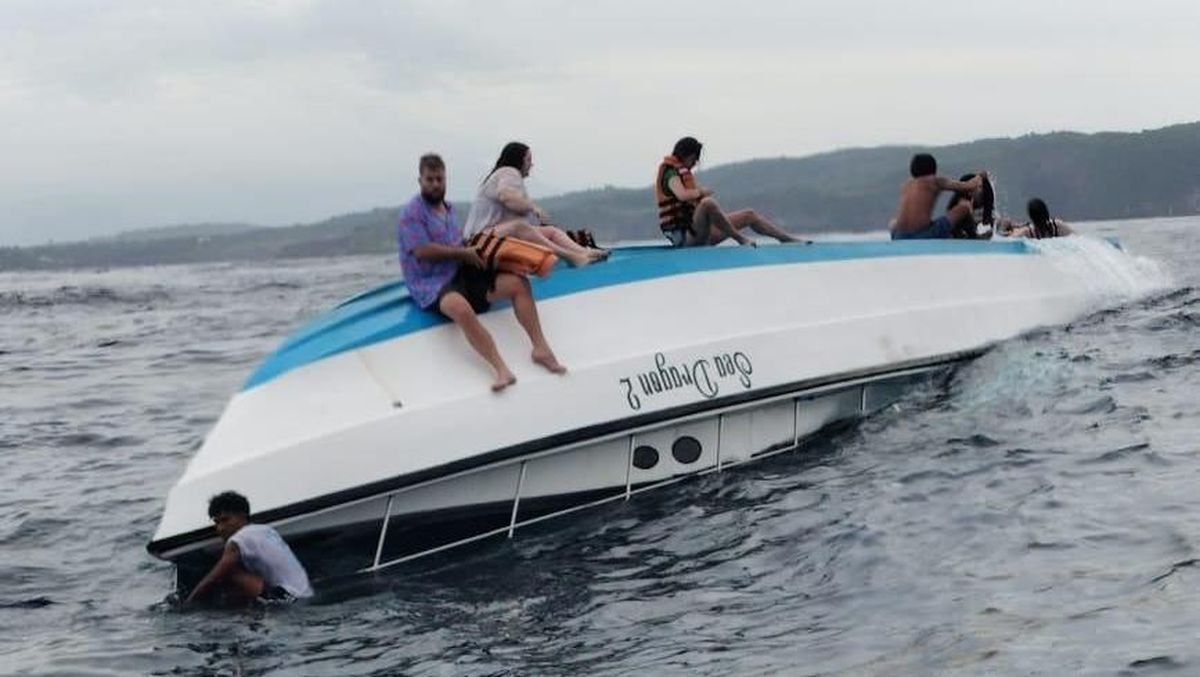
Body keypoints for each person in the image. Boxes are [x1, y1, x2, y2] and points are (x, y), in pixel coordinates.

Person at [399, 153, 566, 392]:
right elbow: (422, 251)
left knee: (518, 284)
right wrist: (463, 255)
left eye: (439, 179)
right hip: (431, 283)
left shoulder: (448, 209)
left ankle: (541, 348)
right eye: (430, 180)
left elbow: (458, 243)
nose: (435, 184)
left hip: (460, 271)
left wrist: (483, 253)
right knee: (460, 308)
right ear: (420, 181)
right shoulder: (412, 214)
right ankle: (501, 369)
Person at [462, 142, 607, 267]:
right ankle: (571, 257)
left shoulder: (505, 176)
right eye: (528, 160)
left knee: (551, 231)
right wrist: (533, 207)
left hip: (492, 235)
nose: (531, 164)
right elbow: (506, 196)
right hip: (478, 241)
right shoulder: (509, 172)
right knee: (520, 226)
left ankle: (584, 252)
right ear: (518, 161)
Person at [655, 136, 801, 247]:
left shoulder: (683, 173)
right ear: (687, 155)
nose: (694, 164)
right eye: (694, 160)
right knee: (707, 203)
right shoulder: (671, 174)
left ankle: (786, 239)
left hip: (700, 232)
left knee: (749, 215)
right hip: (685, 238)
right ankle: (740, 239)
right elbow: (682, 195)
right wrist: (700, 192)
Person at [184, 491, 313, 606]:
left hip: (285, 599)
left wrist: (188, 603)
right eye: (217, 523)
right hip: (306, 594)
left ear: (242, 515)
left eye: (225, 520)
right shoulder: (266, 530)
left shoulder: (238, 540)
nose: (220, 528)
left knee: (229, 571)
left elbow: (214, 577)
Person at [890, 153, 988, 240]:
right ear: (933, 168)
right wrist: (980, 176)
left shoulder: (906, 185)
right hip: (921, 236)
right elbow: (968, 186)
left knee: (893, 223)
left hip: (898, 236)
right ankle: (974, 236)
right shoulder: (935, 181)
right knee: (964, 206)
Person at [1000, 198, 1075, 238]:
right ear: (1046, 212)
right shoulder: (1058, 226)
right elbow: (1077, 237)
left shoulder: (1027, 232)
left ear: (1031, 217)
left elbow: (1009, 238)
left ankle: (1011, 226)